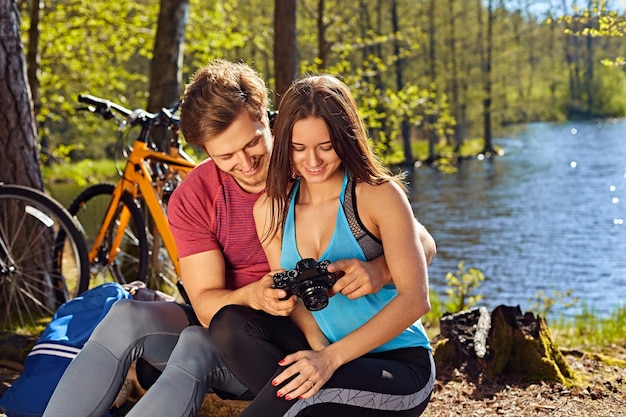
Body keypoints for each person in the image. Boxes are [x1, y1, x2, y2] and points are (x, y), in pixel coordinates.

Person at [42, 60, 435, 417]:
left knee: (213, 350)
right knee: (144, 320)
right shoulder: (206, 197)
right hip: (247, 330)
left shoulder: (307, 157)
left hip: (323, 336)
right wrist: (255, 297)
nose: (245, 165)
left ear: (268, 119)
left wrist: (379, 271)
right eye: (225, 156)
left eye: (252, 145)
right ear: (205, 151)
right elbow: (209, 305)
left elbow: (419, 244)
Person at [209, 74, 435, 417]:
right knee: (229, 325)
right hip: (327, 351)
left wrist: (331, 360)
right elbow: (295, 298)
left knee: (304, 398)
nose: (312, 161)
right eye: (299, 149)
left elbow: (415, 299)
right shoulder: (271, 208)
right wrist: (317, 348)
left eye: (325, 147)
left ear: (346, 139)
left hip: (398, 365)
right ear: (285, 144)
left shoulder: (377, 194)